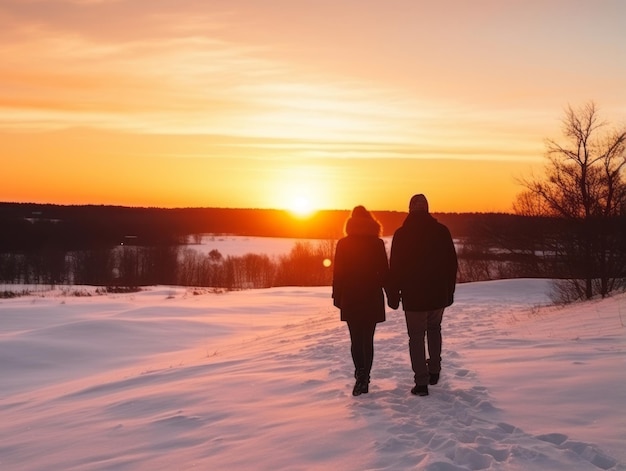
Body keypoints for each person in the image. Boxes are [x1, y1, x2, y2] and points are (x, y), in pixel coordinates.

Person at [388, 194, 458, 396]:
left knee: (416, 337)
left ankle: (421, 383)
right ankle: (434, 371)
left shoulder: (402, 234)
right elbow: (451, 264)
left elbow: (396, 268)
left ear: (410, 210)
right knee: (434, 329)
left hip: (414, 296)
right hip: (438, 295)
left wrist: (393, 294)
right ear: (427, 209)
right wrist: (449, 291)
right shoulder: (441, 231)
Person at [332, 206, 395, 396]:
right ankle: (364, 377)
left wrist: (337, 296)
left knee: (355, 339)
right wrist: (392, 294)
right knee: (367, 339)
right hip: (371, 296)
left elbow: (338, 273)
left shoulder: (344, 243)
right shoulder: (376, 243)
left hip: (350, 296)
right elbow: (385, 272)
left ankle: (360, 374)